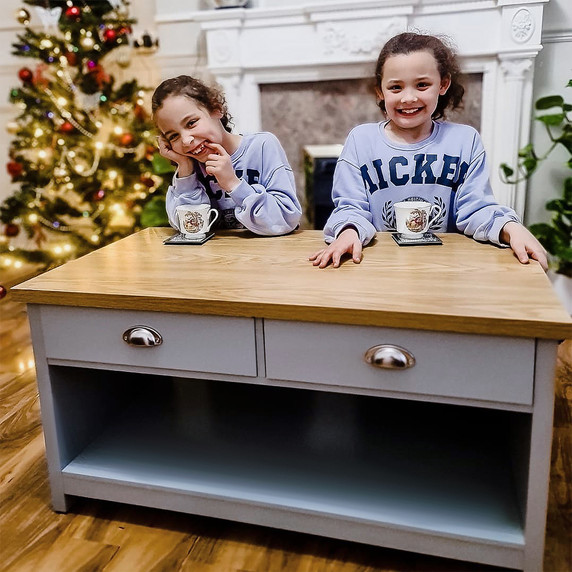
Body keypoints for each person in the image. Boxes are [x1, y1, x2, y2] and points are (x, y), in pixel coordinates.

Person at [309, 32, 548, 270]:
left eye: (422, 84)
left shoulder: (465, 140)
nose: (408, 97)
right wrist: (348, 231)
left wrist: (510, 227)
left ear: (443, 84)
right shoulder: (360, 140)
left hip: (445, 269)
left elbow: (476, 208)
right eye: (395, 87)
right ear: (380, 92)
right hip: (379, 266)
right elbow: (351, 207)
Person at [152, 75, 302, 236]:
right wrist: (185, 168)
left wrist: (232, 183)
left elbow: (285, 220)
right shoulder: (189, 167)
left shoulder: (262, 146)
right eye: (173, 136)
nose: (186, 141)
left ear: (216, 109)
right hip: (216, 258)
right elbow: (189, 230)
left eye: (191, 123)